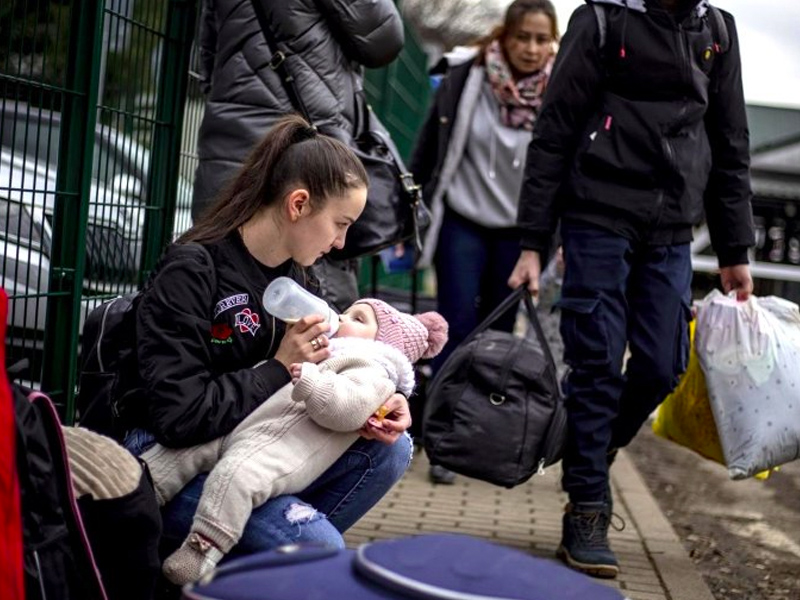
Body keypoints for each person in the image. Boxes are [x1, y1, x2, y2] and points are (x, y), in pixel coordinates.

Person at [508, 0, 755, 579]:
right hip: (597, 216)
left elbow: (730, 142)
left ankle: (591, 446)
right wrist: (532, 242)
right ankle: (587, 505)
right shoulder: (600, 20)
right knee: (595, 363)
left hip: (671, 229)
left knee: (663, 365)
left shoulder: (717, 30)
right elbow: (554, 133)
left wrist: (735, 251)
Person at [121, 115, 415, 581]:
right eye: (340, 224)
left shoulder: (299, 276)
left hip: (248, 447)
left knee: (392, 449)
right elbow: (177, 419)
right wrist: (281, 367)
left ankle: (248, 562)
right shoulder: (194, 270)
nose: (340, 242)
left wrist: (380, 401)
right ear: (298, 204)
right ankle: (241, 553)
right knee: (316, 546)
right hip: (167, 457)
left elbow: (339, 366)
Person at [142, 300, 447, 584]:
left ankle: (200, 552)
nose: (341, 318)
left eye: (358, 319)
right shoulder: (331, 350)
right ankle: (133, 494)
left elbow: (349, 409)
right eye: (346, 311)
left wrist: (313, 384)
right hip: (242, 427)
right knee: (181, 455)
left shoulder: (372, 371)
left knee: (234, 478)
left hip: (273, 452)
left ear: (383, 344)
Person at [409, 0, 559, 484]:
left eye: (542, 39)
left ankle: (480, 431)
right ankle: (440, 438)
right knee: (455, 325)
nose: (532, 49)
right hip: (463, 220)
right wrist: (411, 208)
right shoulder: (465, 75)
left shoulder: (563, 90)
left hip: (521, 233)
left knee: (497, 335)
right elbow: (428, 147)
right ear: (505, 37)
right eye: (523, 38)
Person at [191, 0, 405, 311]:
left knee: (226, 299)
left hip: (233, 142)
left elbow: (208, 61)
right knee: (316, 312)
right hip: (311, 153)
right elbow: (384, 39)